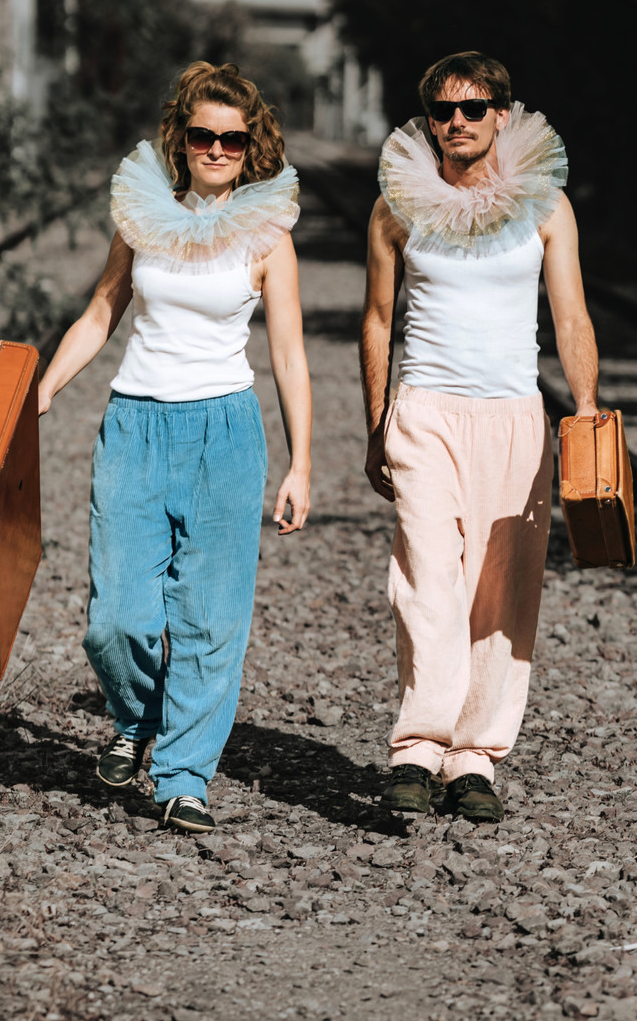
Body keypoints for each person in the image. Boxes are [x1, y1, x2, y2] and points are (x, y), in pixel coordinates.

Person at [39, 62, 312, 835]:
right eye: (203, 135)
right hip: (136, 426)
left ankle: (185, 776)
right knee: (115, 618)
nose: (217, 149)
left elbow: (289, 354)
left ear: (250, 146)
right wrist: (45, 385)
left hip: (224, 434)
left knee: (210, 621)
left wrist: (302, 462)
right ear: (181, 140)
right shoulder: (143, 218)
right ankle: (139, 715)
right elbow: (102, 309)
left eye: (233, 138)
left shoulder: (268, 236)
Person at [360, 50, 598, 823]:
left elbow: (571, 317)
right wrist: (375, 425)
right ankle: (418, 747)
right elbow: (377, 320)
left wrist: (586, 409)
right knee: (428, 579)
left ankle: (474, 758)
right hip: (425, 412)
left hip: (514, 418)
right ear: (429, 120)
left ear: (502, 113)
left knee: (502, 592)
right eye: (443, 110)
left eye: (473, 107)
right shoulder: (397, 206)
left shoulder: (546, 207)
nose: (457, 121)